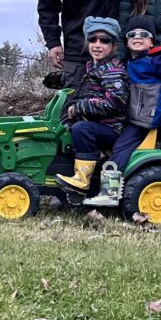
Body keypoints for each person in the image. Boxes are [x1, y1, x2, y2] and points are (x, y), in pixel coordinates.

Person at [84, 15, 161, 207]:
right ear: (126, 40)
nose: (138, 37)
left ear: (152, 41)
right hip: (129, 116)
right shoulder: (128, 63)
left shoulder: (156, 59)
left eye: (144, 35)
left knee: (120, 151)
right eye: (132, 34)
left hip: (144, 119)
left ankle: (109, 193)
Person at [55, 17, 129, 193]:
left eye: (104, 40)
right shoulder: (93, 66)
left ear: (113, 45)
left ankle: (82, 179)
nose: (97, 44)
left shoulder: (113, 70)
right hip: (98, 123)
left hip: (111, 127)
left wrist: (80, 108)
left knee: (82, 129)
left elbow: (115, 102)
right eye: (92, 39)